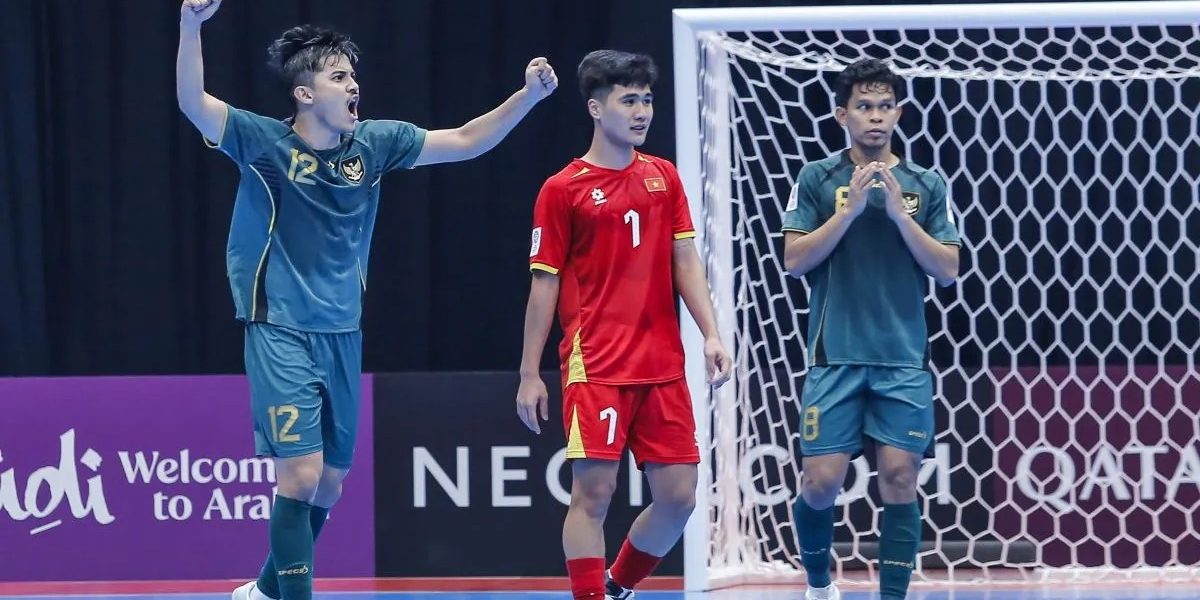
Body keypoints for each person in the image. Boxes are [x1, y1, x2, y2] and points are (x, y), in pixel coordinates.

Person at [176, 1, 558, 599]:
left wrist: (527, 97)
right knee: (300, 475)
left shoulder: (374, 145)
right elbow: (193, 103)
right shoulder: (264, 142)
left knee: (329, 482)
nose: (353, 84)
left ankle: (264, 592)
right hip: (279, 326)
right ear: (305, 94)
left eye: (353, 75)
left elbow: (464, 140)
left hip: (342, 332)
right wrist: (191, 26)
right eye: (338, 76)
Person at [515, 49, 731, 600]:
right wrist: (529, 374)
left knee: (679, 496)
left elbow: (685, 260)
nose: (641, 112)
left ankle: (616, 585)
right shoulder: (562, 189)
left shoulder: (664, 177)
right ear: (595, 108)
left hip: (662, 364)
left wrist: (710, 332)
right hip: (597, 366)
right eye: (628, 100)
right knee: (594, 494)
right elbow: (544, 284)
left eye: (647, 100)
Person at [780, 58, 961, 600]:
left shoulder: (926, 184)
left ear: (899, 113)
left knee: (901, 478)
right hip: (834, 357)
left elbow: (948, 270)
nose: (876, 116)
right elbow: (794, 260)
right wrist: (850, 212)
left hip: (902, 360)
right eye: (864, 106)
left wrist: (901, 216)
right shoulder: (817, 177)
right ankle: (819, 586)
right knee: (820, 484)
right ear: (843, 115)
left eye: (885, 106)